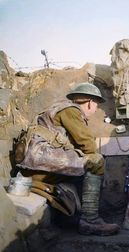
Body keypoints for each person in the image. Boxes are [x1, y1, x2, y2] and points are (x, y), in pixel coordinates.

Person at [17, 82, 120, 236]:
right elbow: (87, 143)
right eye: (97, 105)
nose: (96, 108)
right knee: (96, 161)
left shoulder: (61, 109)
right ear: (90, 103)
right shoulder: (71, 111)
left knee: (85, 165)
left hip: (35, 164)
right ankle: (90, 221)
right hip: (40, 162)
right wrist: (94, 158)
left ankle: (77, 216)